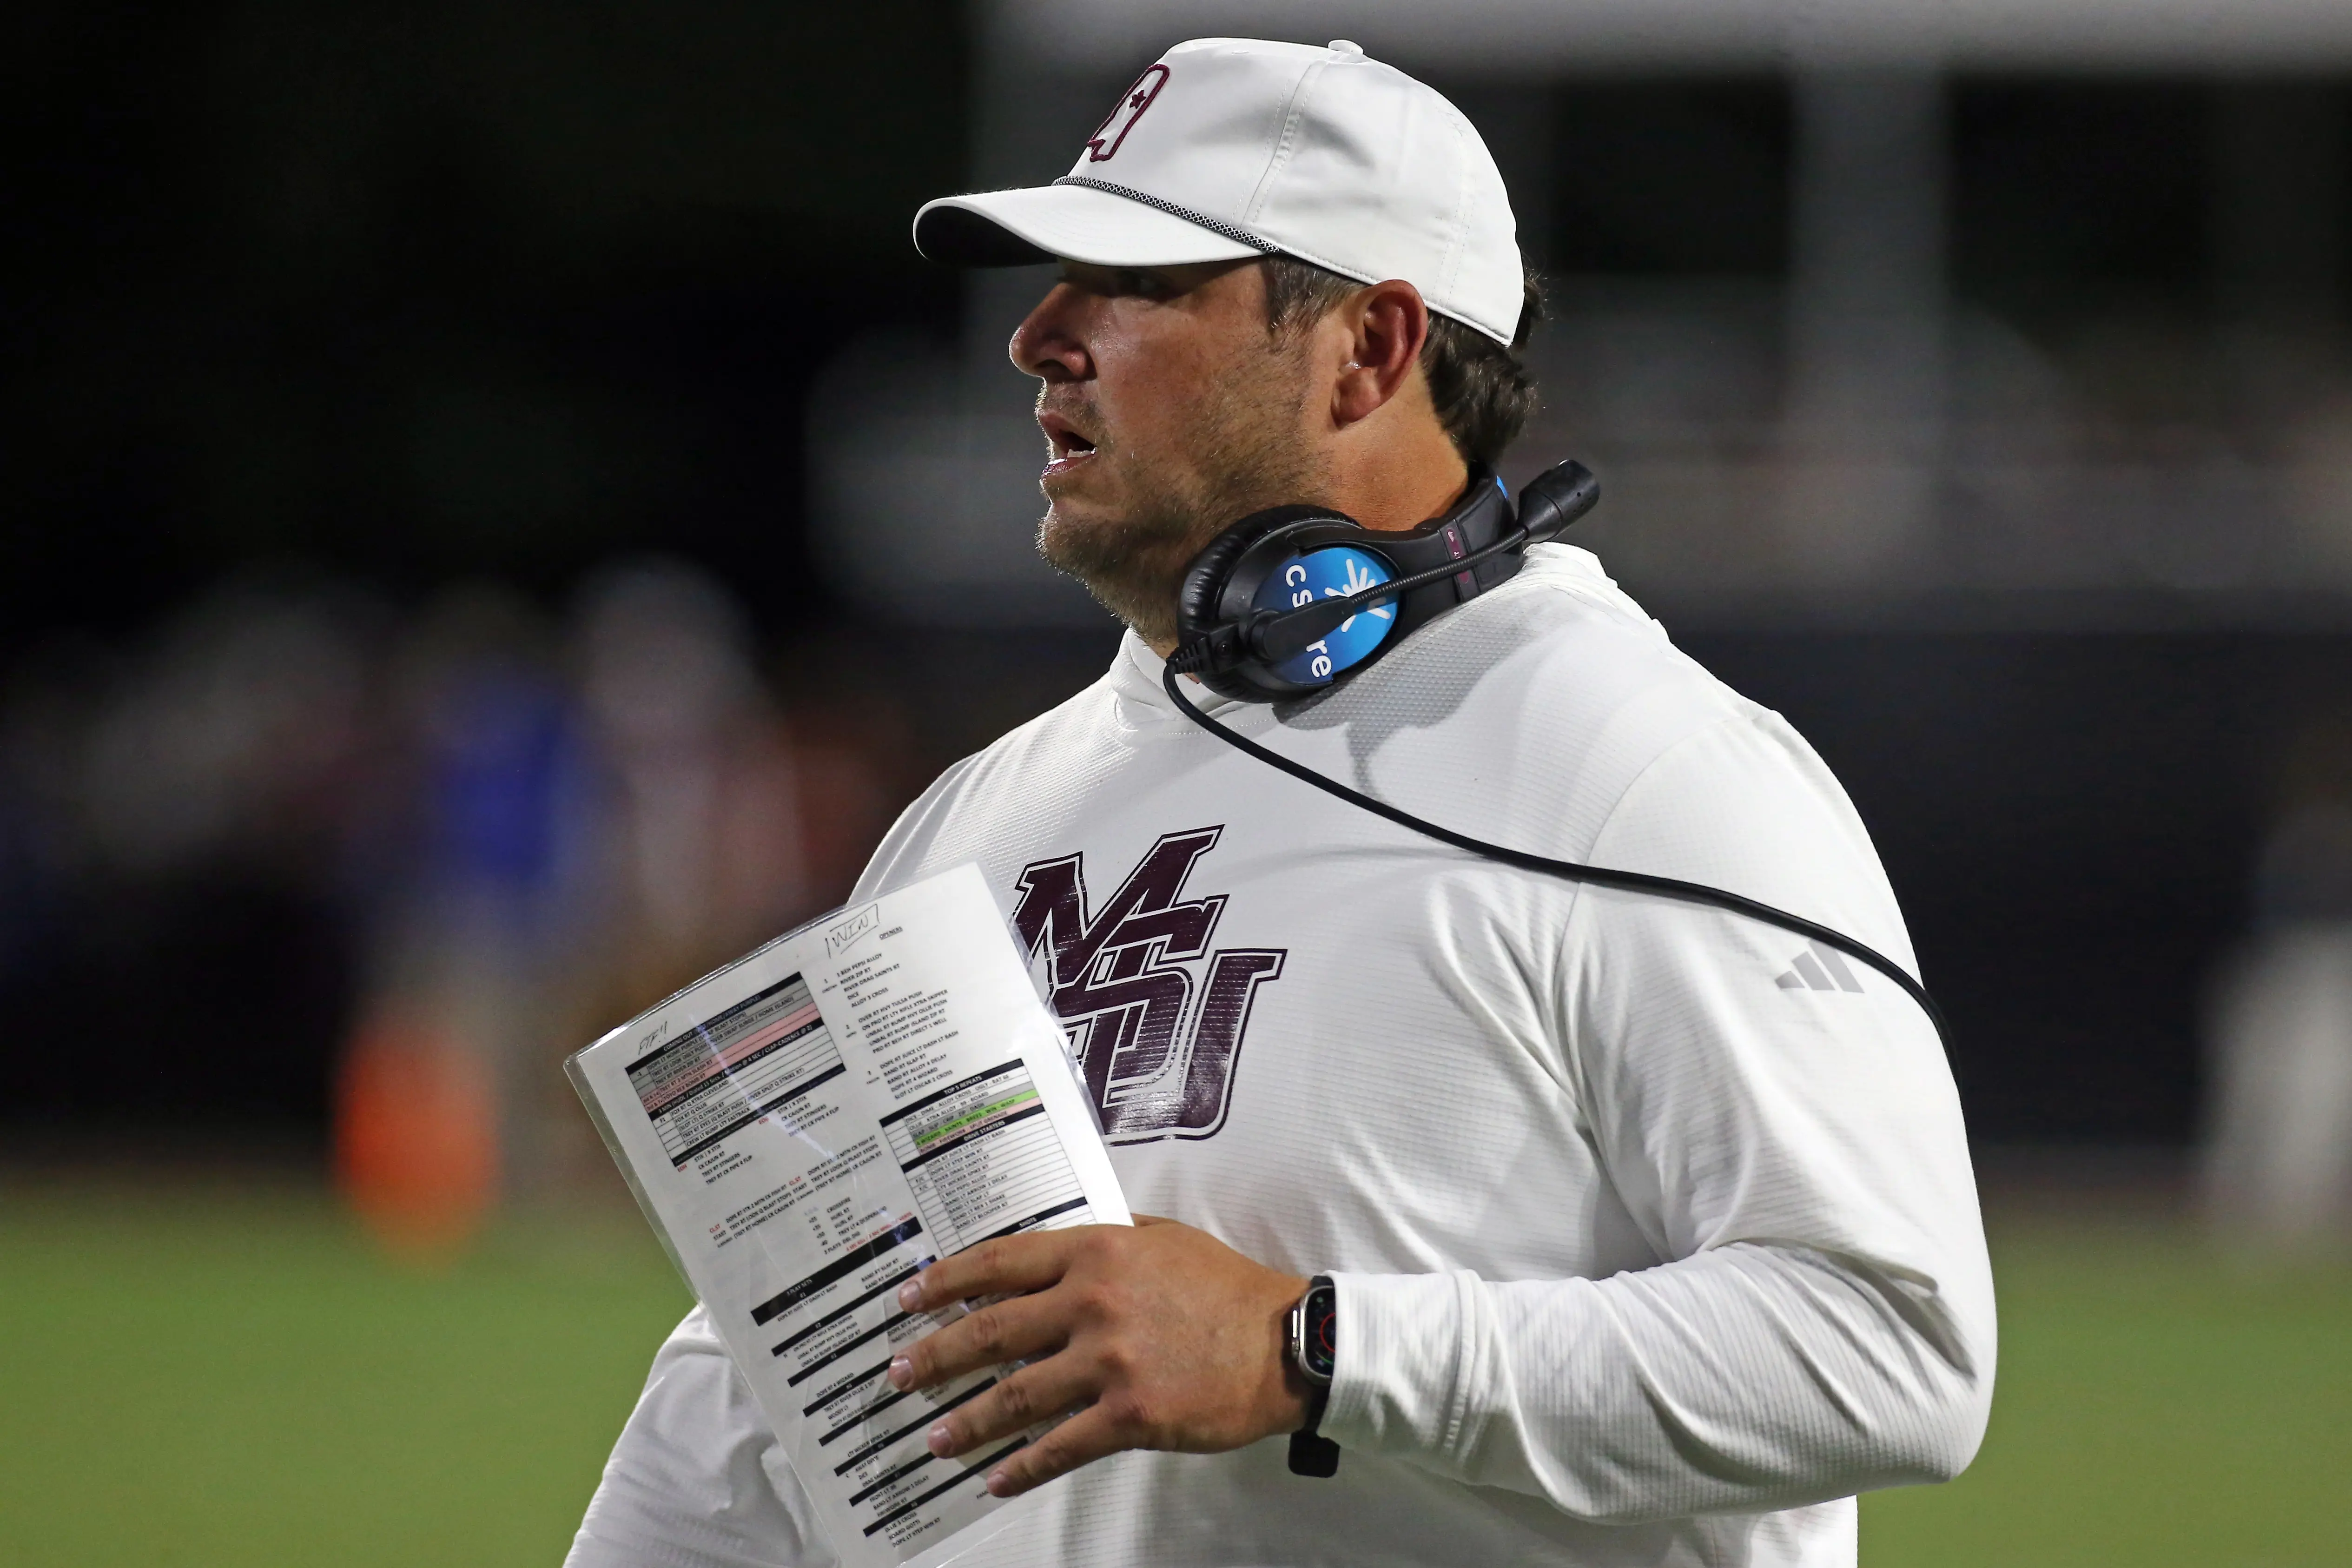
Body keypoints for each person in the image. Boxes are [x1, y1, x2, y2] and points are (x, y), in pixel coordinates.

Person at [567, 37, 1993, 1568]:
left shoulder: (1640, 766)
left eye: (1135, 284)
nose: (1038, 334)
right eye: (1050, 280)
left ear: (1369, 347)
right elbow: (780, 1382)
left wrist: (1310, 1352)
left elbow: (1888, 1348)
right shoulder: (975, 815)